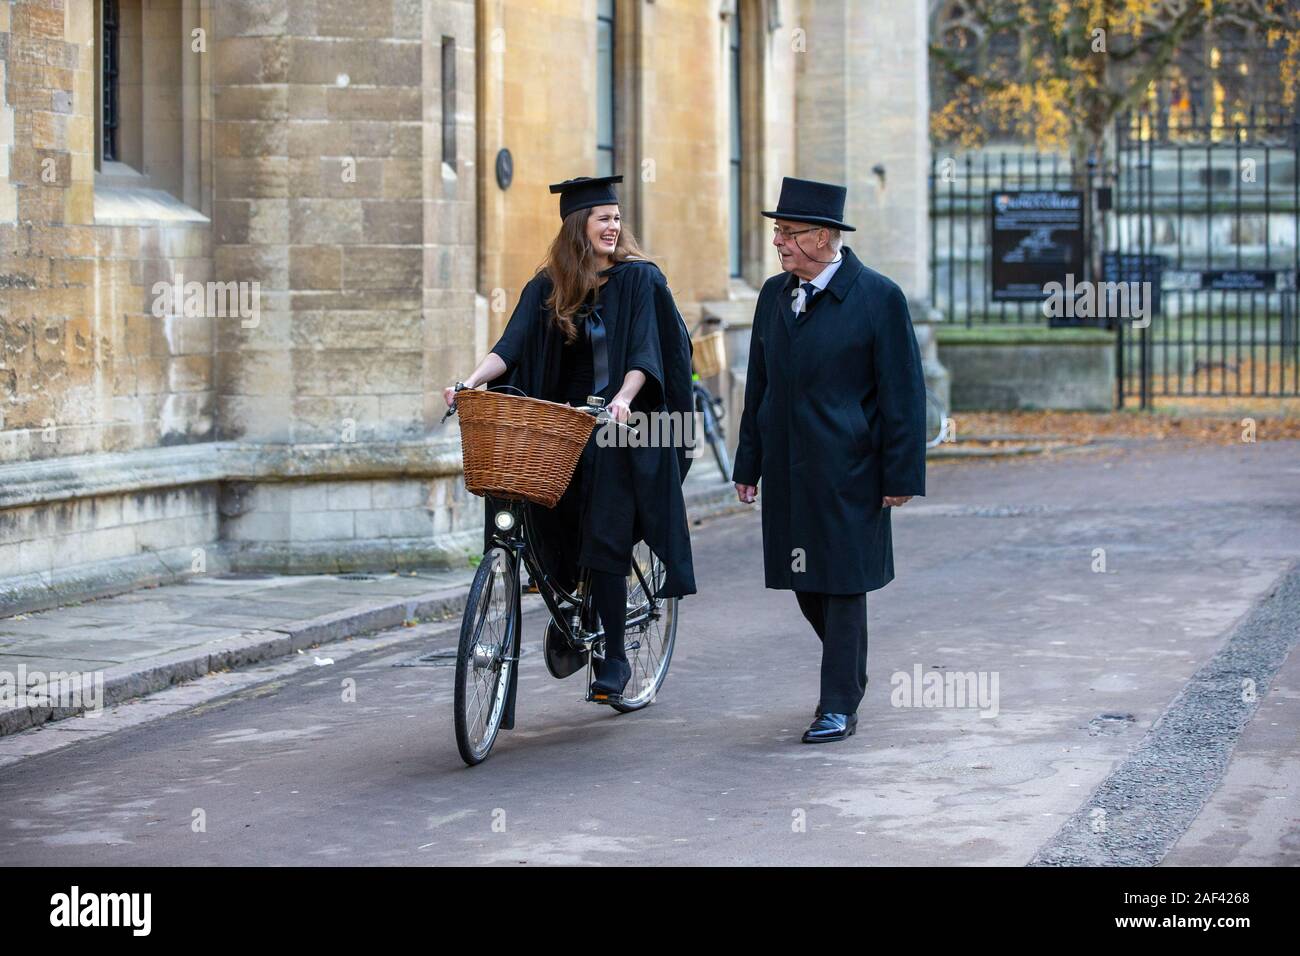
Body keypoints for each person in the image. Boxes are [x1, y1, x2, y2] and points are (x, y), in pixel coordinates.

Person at [445, 175, 696, 704]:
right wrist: (469, 383)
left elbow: (646, 356)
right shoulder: (547, 287)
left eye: (617, 218)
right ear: (576, 227)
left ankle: (616, 658)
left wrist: (624, 398)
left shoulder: (640, 281)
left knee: (605, 520)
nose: (614, 226)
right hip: (564, 424)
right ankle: (568, 602)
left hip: (621, 427)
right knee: (538, 507)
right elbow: (509, 348)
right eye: (603, 218)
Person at [732, 176, 927, 743]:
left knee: (843, 583)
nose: (779, 244)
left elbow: (903, 393)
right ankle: (852, 666)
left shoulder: (879, 298)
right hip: (790, 470)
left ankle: (838, 701)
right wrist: (749, 464)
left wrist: (900, 473)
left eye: (788, 234)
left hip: (851, 471)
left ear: (823, 238)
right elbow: (760, 386)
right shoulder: (774, 295)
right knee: (803, 579)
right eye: (777, 233)